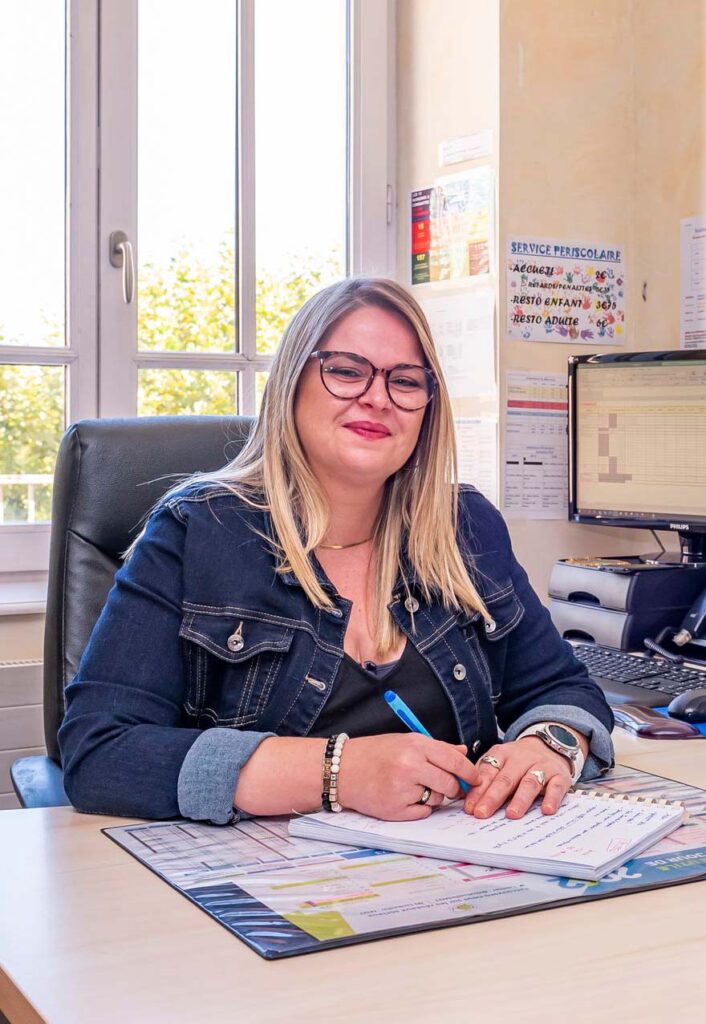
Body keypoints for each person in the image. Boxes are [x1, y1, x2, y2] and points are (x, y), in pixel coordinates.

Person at [59, 277, 614, 825]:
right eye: (346, 371)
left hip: (461, 869)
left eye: (405, 380)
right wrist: (337, 773)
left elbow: (562, 688)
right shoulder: (196, 531)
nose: (377, 398)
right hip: (262, 883)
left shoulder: (464, 527)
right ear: (291, 384)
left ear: (428, 408)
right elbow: (101, 754)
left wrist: (551, 745)